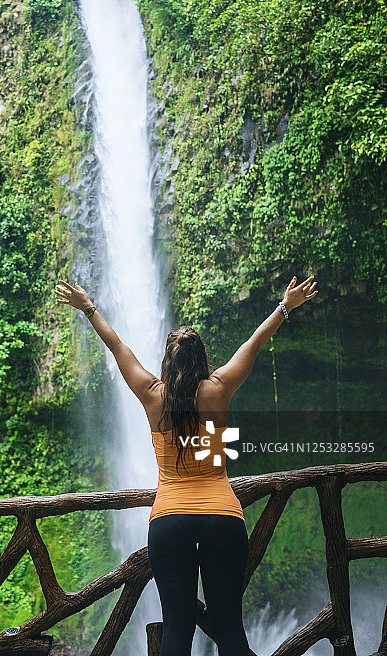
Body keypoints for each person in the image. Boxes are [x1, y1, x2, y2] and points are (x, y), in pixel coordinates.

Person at [54, 275, 318, 656]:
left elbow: (116, 347)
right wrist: (284, 306)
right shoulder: (219, 387)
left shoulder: (150, 395)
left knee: (176, 630)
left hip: (169, 520)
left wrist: (88, 308)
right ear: (202, 358)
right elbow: (255, 343)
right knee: (229, 628)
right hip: (223, 516)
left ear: (167, 360)